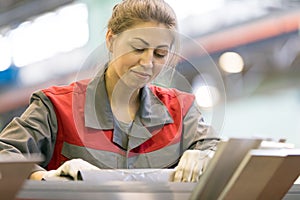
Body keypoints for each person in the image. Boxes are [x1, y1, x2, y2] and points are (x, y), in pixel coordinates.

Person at [0, 0, 219, 182]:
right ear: (111, 40)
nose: (148, 62)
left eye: (160, 54)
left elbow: (218, 151)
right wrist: (45, 178)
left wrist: (206, 156)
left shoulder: (181, 110)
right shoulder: (55, 107)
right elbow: (4, 155)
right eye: (139, 49)